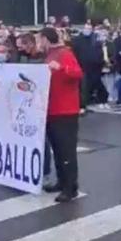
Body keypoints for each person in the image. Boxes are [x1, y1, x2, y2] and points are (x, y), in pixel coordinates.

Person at [36, 27, 84, 203]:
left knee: (66, 151)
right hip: (52, 109)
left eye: (40, 40)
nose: (38, 44)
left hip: (65, 110)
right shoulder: (50, 55)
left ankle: (71, 187)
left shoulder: (64, 54)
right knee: (57, 149)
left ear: (47, 40)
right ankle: (62, 181)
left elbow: (78, 73)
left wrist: (62, 68)